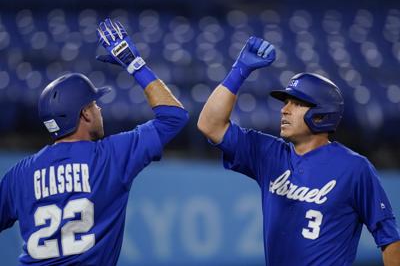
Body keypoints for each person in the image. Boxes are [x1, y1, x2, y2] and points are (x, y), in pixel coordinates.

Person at [0, 18, 188, 265]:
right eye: (94, 103)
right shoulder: (111, 156)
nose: (99, 108)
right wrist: (134, 63)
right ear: (85, 114)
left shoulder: (20, 174)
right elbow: (174, 117)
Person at [197, 36, 400, 265]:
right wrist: (239, 70)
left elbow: (390, 239)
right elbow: (209, 125)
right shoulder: (269, 154)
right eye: (286, 102)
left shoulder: (354, 168)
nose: (285, 110)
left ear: (321, 114)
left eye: (296, 103)